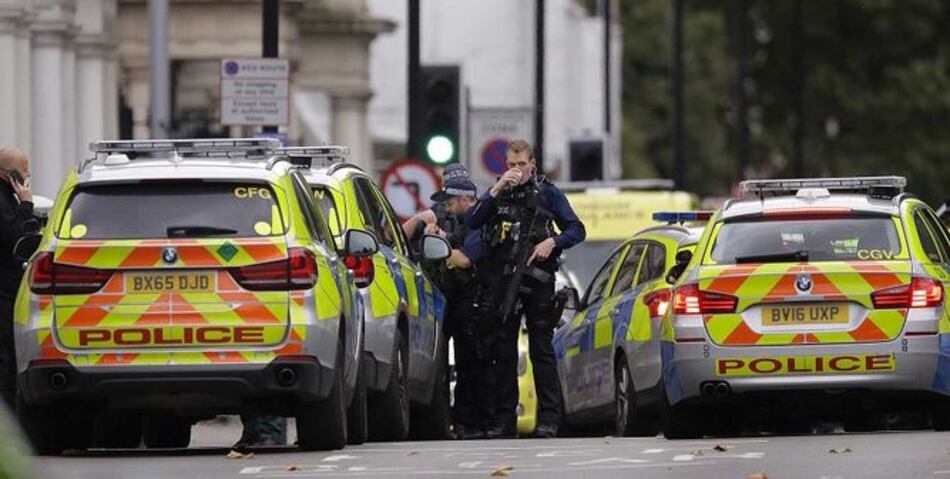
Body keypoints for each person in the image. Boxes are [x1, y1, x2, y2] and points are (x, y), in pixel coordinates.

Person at [465, 139, 585, 438]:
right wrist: (495, 190)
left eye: (521, 165)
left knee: (540, 350)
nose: (516, 170)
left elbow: (577, 229)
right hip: (504, 283)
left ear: (532, 164)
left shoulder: (547, 193)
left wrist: (551, 242)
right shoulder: (497, 194)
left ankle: (548, 419)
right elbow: (472, 221)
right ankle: (505, 420)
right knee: (503, 351)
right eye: (510, 165)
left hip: (537, 281)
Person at [403, 164, 493, 439]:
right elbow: (398, 241)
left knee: (469, 363)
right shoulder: (439, 216)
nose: (449, 208)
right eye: (446, 202)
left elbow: (465, 260)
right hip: (438, 298)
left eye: (452, 202)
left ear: (466, 197)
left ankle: (469, 423)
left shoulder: (479, 221)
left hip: (469, 299)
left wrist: (440, 242)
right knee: (435, 363)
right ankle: (437, 423)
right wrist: (419, 219)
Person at [0, 147, 38, 408]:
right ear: (9, 174)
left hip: (7, 288)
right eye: (24, 171)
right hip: (3, 291)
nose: (28, 175)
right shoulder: (4, 200)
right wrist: (26, 204)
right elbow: (16, 239)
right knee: (7, 359)